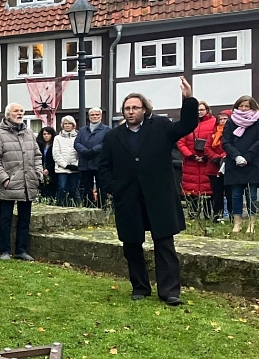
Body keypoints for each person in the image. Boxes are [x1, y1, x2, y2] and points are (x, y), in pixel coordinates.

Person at [99, 77, 198, 306]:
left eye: (135, 107)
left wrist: (188, 99)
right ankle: (140, 287)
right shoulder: (113, 136)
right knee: (132, 245)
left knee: (164, 244)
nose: (130, 111)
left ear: (145, 109)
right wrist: (115, 189)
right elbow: (104, 167)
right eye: (126, 108)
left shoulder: (161, 127)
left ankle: (170, 291)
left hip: (159, 197)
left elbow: (186, 126)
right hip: (129, 199)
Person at [0, 103, 42, 262]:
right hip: (10, 183)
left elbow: (37, 156)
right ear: (8, 115)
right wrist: (4, 178)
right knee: (5, 220)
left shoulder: (29, 133)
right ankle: (4, 251)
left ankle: (21, 250)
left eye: (21, 111)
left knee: (25, 219)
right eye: (16, 111)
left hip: (28, 182)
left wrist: (38, 173)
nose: (19, 114)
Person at [177, 101, 221, 218]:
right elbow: (181, 142)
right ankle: (192, 215)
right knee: (191, 190)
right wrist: (191, 155)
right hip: (191, 163)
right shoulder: (188, 123)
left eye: (202, 109)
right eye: (197, 110)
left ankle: (208, 216)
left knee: (208, 191)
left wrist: (207, 155)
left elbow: (217, 140)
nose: (199, 112)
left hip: (208, 162)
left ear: (207, 110)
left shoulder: (213, 123)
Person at [222, 95, 259, 233]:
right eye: (241, 106)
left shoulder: (257, 121)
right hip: (234, 163)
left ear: (252, 107)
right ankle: (237, 222)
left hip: (253, 163)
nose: (243, 109)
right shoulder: (231, 122)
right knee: (236, 194)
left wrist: (247, 157)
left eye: (247, 106)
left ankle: (251, 223)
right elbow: (225, 141)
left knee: (252, 195)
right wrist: (236, 156)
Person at [74, 108, 110, 207]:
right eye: (92, 115)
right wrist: (84, 151)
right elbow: (77, 143)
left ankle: (102, 208)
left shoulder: (107, 130)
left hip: (99, 163)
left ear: (101, 116)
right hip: (85, 163)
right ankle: (88, 207)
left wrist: (93, 150)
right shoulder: (82, 130)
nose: (94, 117)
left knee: (101, 187)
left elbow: (106, 144)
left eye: (97, 115)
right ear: (89, 117)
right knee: (87, 188)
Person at [52, 115, 80, 206]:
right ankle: (61, 206)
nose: (67, 125)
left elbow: (80, 152)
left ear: (73, 125)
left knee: (73, 189)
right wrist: (65, 165)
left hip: (75, 168)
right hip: (62, 169)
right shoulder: (57, 138)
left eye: (69, 124)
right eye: (65, 124)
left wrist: (76, 164)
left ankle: (73, 207)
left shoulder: (78, 137)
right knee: (62, 188)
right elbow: (56, 154)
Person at [210, 109, 232, 221]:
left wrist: (224, 155)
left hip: (229, 167)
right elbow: (207, 147)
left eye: (225, 118)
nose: (222, 121)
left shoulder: (233, 131)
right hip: (214, 167)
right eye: (220, 119)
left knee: (230, 193)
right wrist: (216, 157)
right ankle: (217, 216)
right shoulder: (213, 132)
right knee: (217, 194)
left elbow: (231, 146)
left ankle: (232, 216)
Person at [37, 127, 58, 200]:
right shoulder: (39, 145)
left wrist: (48, 169)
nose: (46, 136)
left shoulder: (55, 145)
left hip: (52, 170)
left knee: (52, 189)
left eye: (48, 134)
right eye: (44, 134)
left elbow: (55, 158)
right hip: (40, 169)